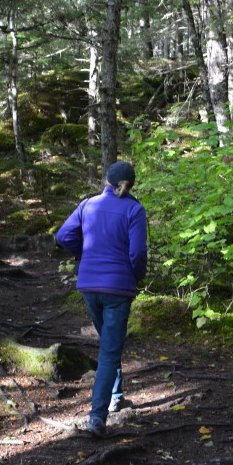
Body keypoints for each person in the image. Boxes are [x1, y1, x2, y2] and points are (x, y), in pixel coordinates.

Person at [55, 161, 148, 438]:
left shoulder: (88, 205)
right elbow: (138, 254)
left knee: (108, 342)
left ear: (107, 180)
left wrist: (81, 255)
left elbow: (63, 235)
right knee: (109, 351)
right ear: (130, 185)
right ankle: (97, 416)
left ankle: (115, 394)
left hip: (88, 285)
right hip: (118, 289)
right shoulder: (134, 209)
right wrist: (136, 276)